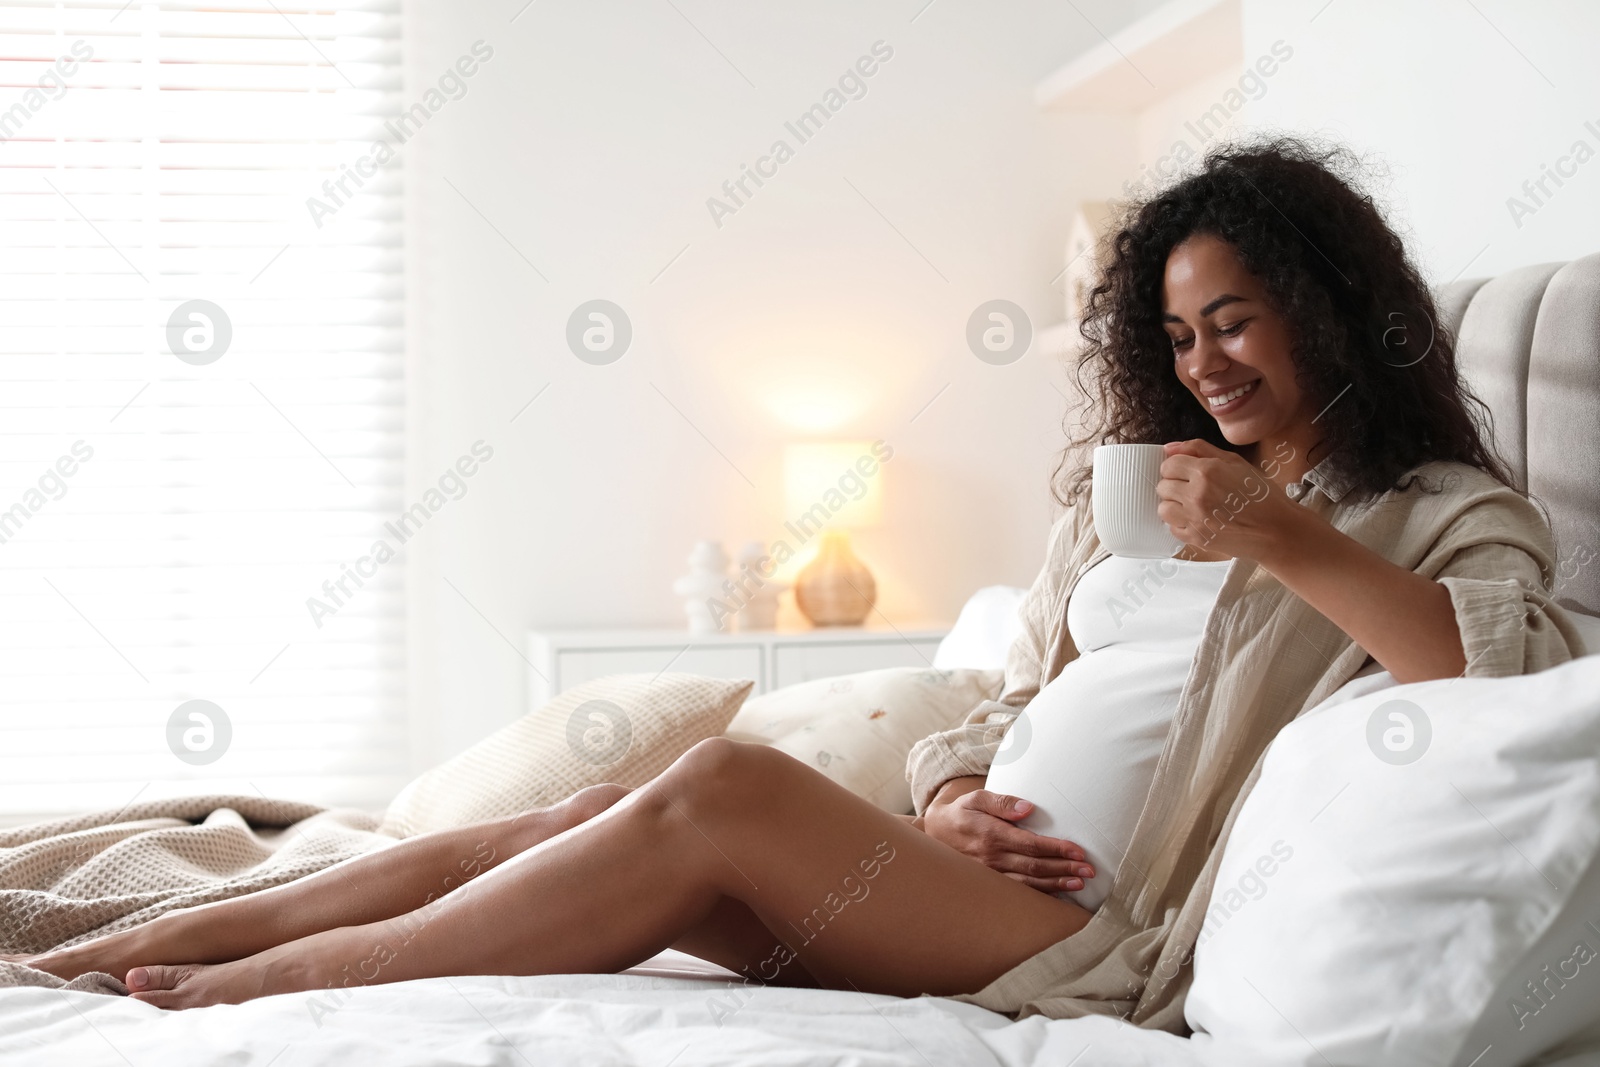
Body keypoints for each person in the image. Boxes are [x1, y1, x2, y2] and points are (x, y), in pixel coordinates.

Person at [17, 138, 1581, 1022]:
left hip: (1109, 946)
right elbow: (1016, 695)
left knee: (720, 791)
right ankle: (232, 926)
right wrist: (945, 796)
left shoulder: (1437, 514)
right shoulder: (1130, 513)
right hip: (959, 885)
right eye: (1177, 337)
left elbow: (1495, 691)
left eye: (1234, 319)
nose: (1204, 363)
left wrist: (1283, 536)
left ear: (1328, 305)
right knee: (588, 822)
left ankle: (279, 982)